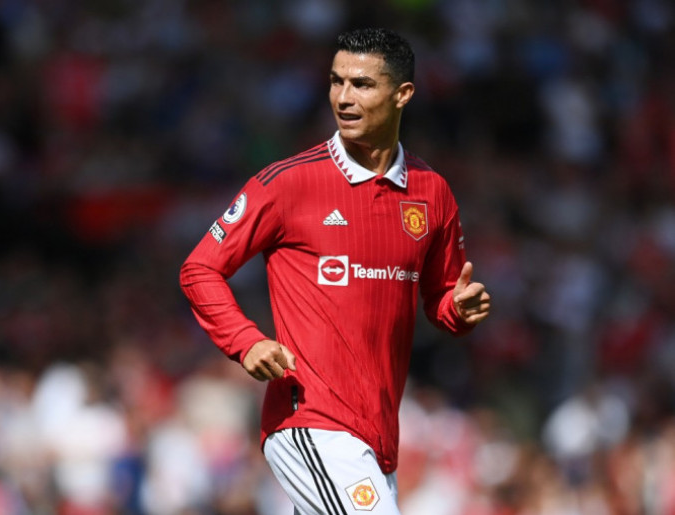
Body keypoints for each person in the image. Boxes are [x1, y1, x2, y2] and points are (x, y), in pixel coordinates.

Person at [180, 27, 491, 514]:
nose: (343, 97)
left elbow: (442, 298)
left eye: (361, 84)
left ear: (403, 94)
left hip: (379, 435)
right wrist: (246, 341)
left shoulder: (431, 192)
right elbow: (199, 268)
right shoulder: (288, 183)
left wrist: (459, 308)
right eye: (335, 81)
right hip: (309, 421)